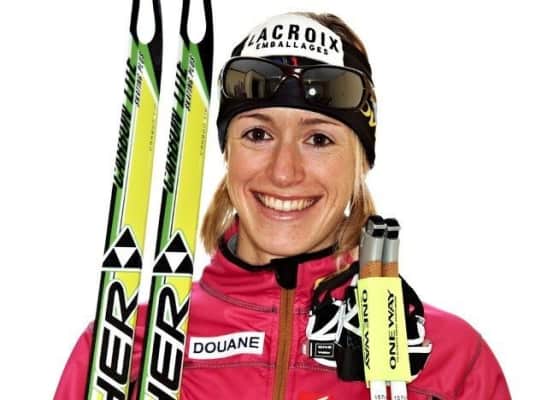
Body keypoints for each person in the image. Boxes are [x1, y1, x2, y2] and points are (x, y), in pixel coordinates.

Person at [55, 11, 511, 400]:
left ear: (360, 162)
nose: (284, 172)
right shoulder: (124, 345)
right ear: (227, 153)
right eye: (258, 134)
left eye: (319, 139)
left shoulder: (450, 360)